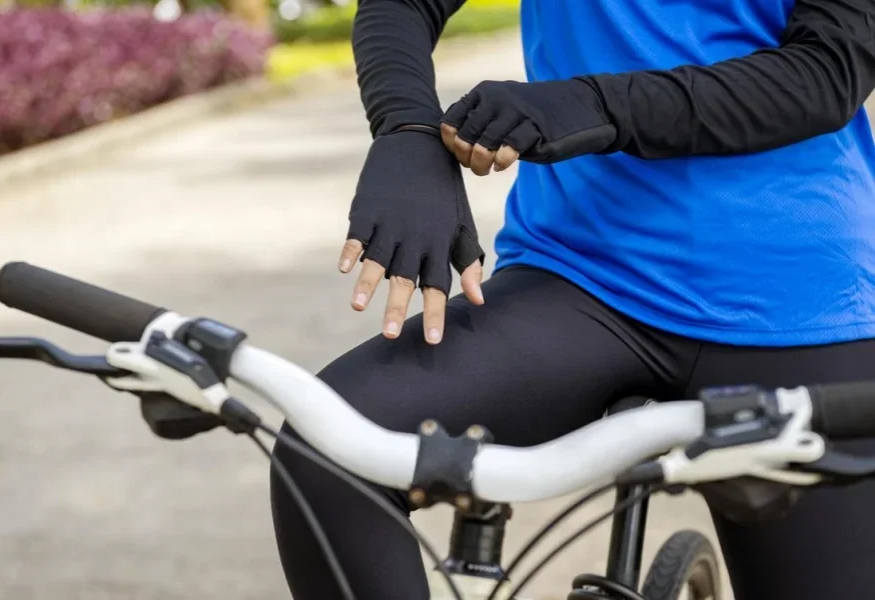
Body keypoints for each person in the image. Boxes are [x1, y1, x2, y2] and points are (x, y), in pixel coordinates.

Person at [270, 0, 875, 598]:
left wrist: (592, 104)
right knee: (328, 448)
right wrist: (406, 130)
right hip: (581, 279)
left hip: (798, 298)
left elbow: (828, 68)